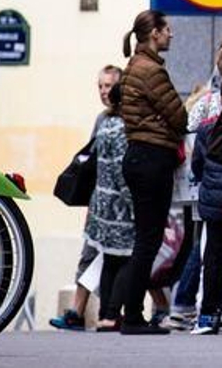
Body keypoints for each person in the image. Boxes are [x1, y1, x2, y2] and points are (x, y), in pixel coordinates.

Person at [112, 10, 186, 335]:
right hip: (152, 158)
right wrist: (163, 122)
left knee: (144, 239)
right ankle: (131, 316)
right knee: (147, 241)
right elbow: (179, 117)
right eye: (167, 29)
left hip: (138, 157)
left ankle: (130, 313)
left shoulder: (133, 67)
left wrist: (158, 120)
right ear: (154, 33)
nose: (171, 34)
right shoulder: (151, 70)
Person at [51, 65, 124, 332]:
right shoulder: (101, 118)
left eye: (109, 86)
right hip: (99, 198)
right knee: (92, 254)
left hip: (112, 199)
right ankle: (79, 311)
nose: (104, 91)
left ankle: (101, 311)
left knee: (115, 256)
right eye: (100, 86)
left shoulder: (117, 120)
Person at [85, 81, 134, 332]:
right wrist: (131, 202)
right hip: (118, 206)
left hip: (101, 200)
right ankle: (113, 314)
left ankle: (106, 313)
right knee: (126, 259)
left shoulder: (105, 124)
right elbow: (120, 167)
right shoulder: (122, 129)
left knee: (110, 260)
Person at [188, 73, 222, 335]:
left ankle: (208, 313)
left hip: (212, 199)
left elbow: (197, 164)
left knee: (213, 256)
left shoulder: (207, 128)